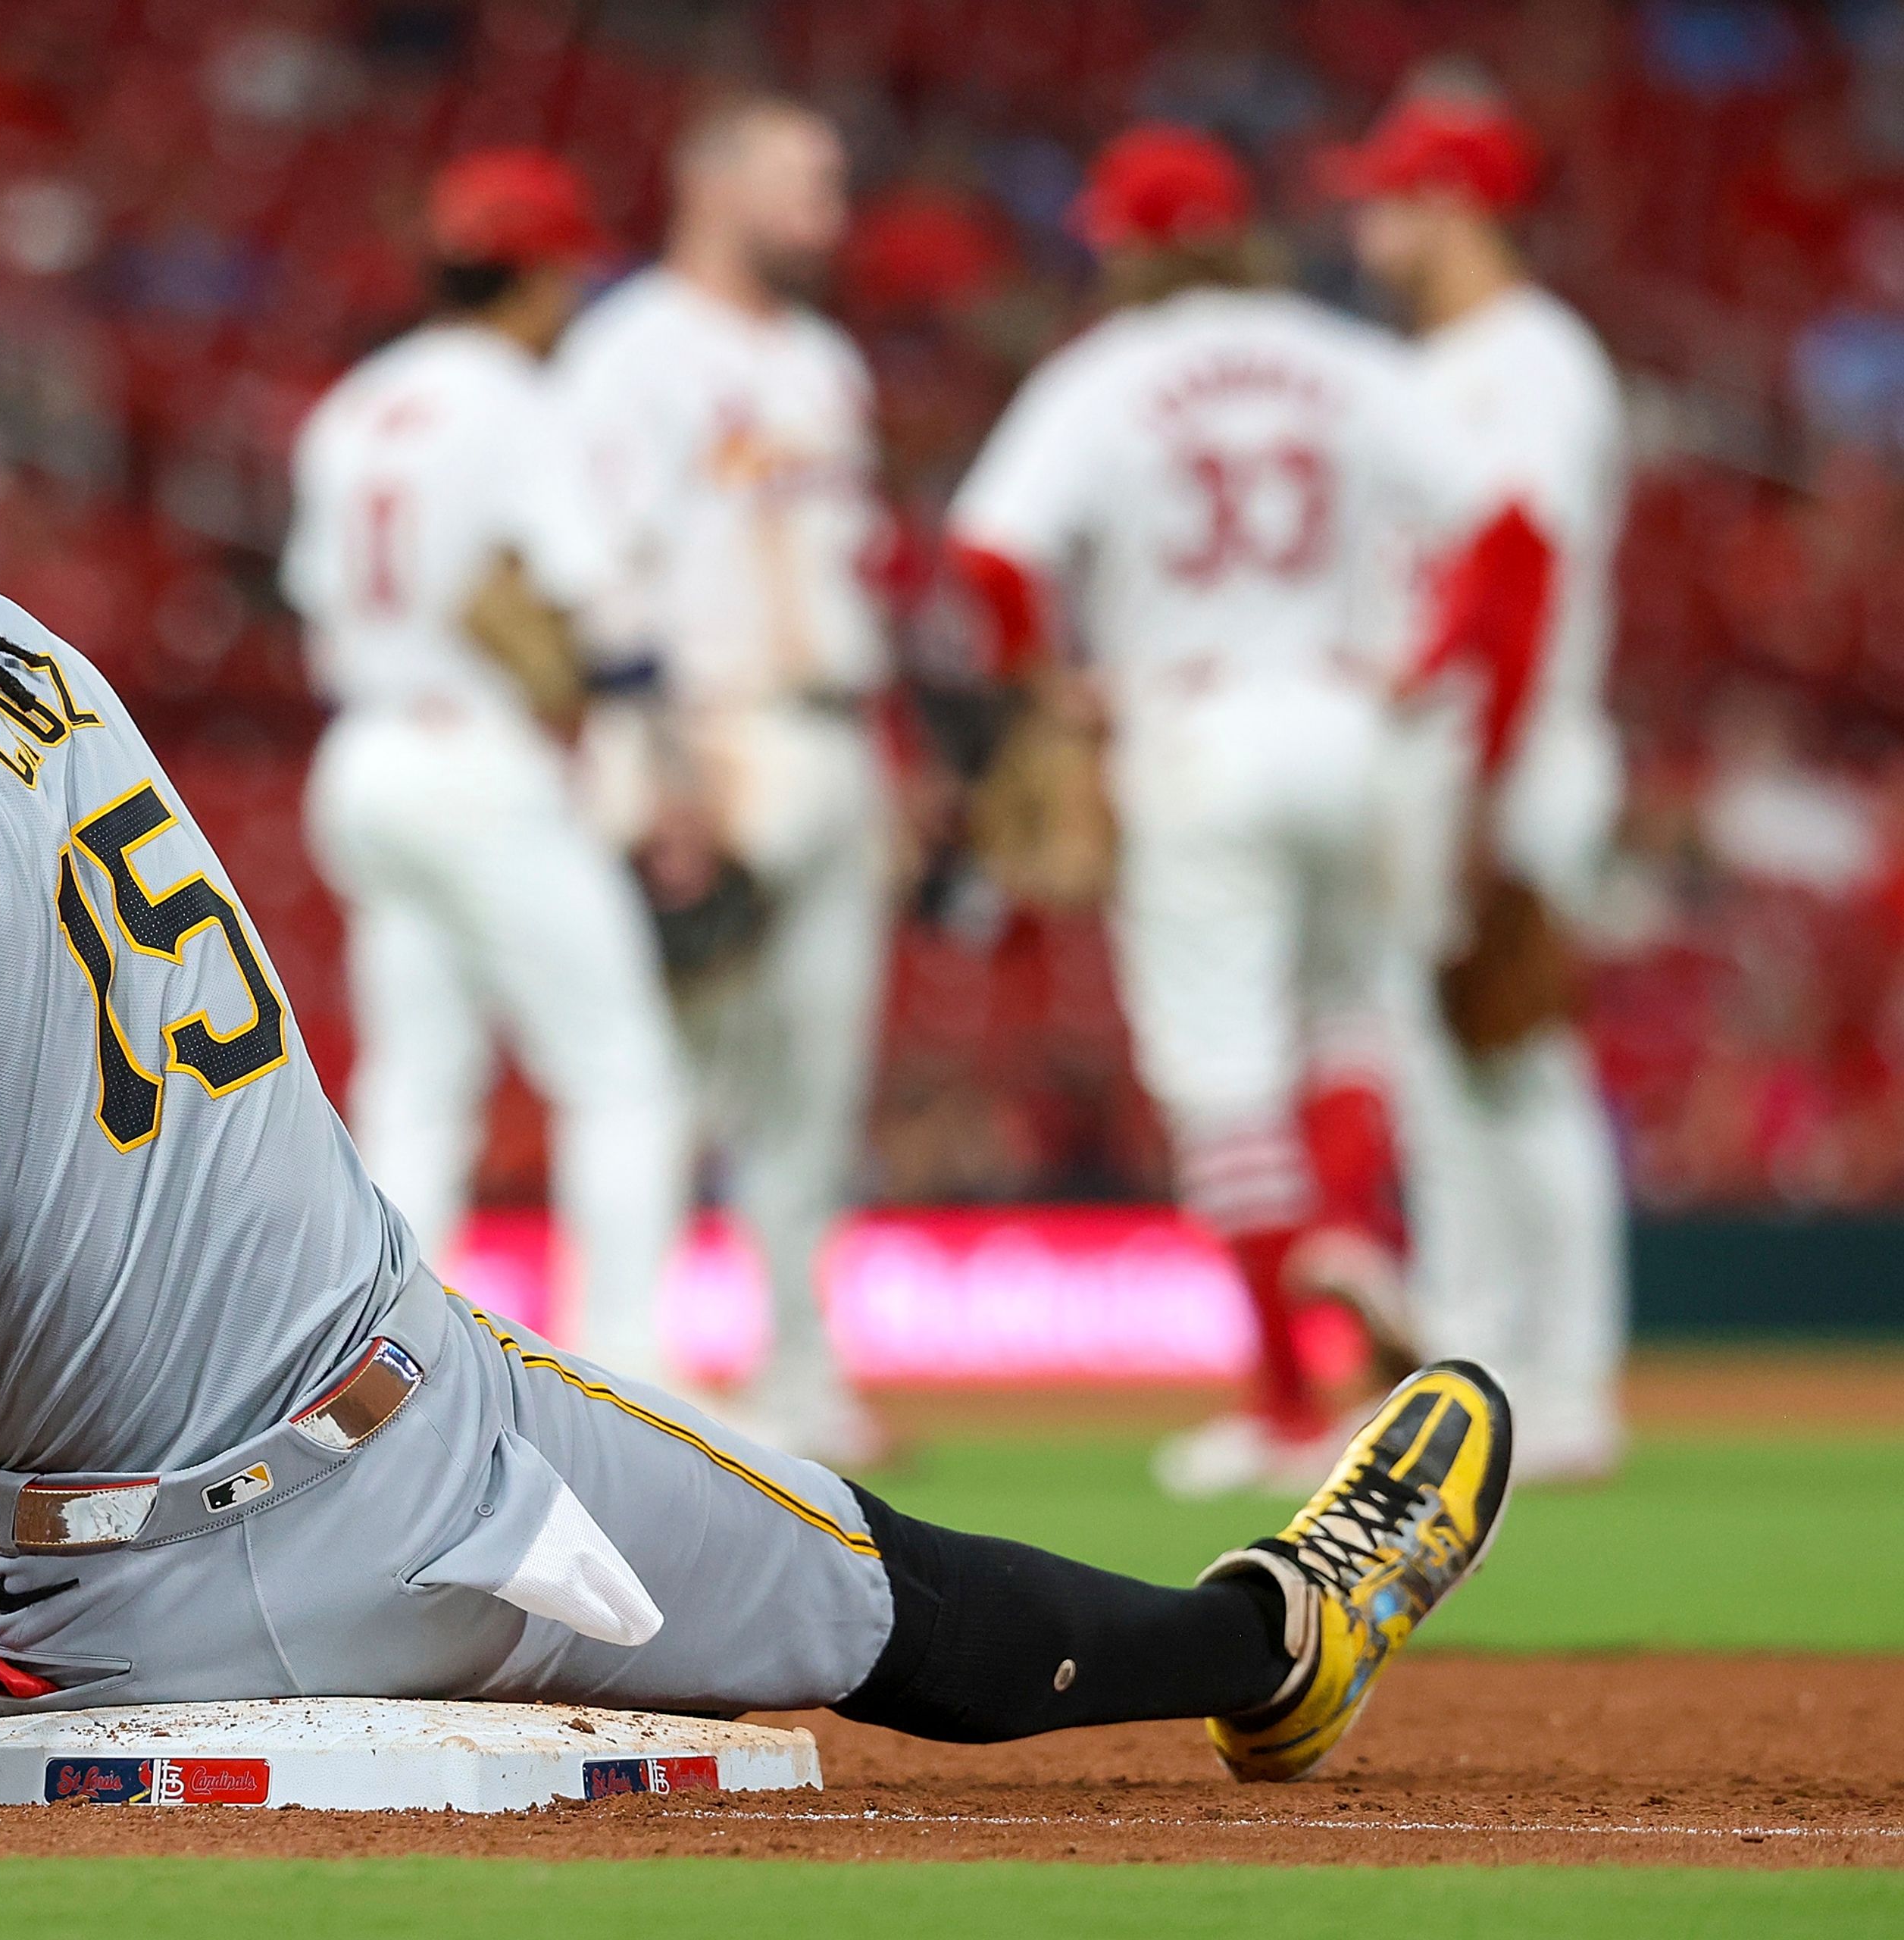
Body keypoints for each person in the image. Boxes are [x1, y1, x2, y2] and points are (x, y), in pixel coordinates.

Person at [0, 334, 1509, 1823]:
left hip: (5, 1602)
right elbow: (72, 1120)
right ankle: (1275, 1645)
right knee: (888, 1598)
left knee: (821, 1559)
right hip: (382, 1493)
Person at [945, 127, 1524, 1497]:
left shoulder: (1106, 375)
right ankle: (1344, 1224)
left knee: (1223, 1077)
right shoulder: (1345, 356)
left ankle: (1279, 1402)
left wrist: (1052, 684)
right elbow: (1506, 535)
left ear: (1133, 248)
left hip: (1191, 726)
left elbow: (991, 553)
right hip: (1346, 722)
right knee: (1351, 1025)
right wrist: (1431, 667)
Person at [283, 151, 689, 1391]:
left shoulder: (356, 404)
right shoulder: (519, 400)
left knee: (419, 1081)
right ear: (546, 275)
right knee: (623, 1070)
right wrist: (666, 762)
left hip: (363, 753)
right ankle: (623, 1369)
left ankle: (384, 1367)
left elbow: (313, 596)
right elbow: (598, 608)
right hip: (477, 755)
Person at [550, 99, 892, 1466]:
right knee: (662, 1071)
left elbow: (848, 574)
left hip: (828, 733)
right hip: (699, 734)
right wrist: (668, 776)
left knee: (815, 1082)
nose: (834, 198)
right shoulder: (629, 351)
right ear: (714, 178)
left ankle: (800, 1379)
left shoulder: (823, 359)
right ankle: (611, 1373)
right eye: (806, 172)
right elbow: (598, 573)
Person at [1336, 89, 1630, 1483]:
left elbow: (1522, 579)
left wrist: (1490, 796)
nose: (1365, 218)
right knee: (1446, 1082)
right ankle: (1478, 1378)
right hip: (1443, 755)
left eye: (1388, 194)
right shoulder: (1441, 361)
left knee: (1517, 1068)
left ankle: (1563, 1389)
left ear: (1454, 201)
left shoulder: (1531, 362)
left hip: (1503, 754)